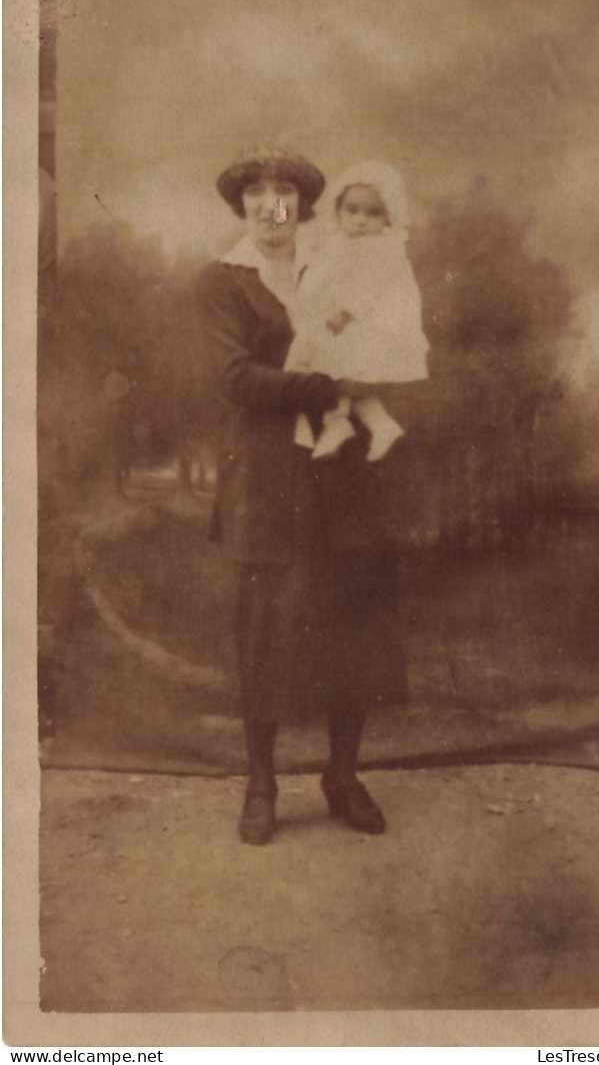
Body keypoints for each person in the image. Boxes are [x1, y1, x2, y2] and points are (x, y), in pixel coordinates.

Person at [197, 149, 407, 846]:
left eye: (283, 194)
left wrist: (361, 377)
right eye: (255, 194)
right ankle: (262, 784)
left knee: (352, 622)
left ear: (301, 207)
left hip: (340, 471)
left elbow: (379, 329)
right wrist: (328, 386)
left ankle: (341, 775)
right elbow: (235, 377)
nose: (269, 206)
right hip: (265, 477)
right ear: (242, 207)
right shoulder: (224, 281)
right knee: (266, 630)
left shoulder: (339, 263)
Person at [285, 161, 429, 461]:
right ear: (338, 210)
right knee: (333, 376)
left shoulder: (380, 249)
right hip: (337, 322)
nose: (360, 220)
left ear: (388, 216)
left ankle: (349, 424)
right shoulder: (340, 243)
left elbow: (367, 289)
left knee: (339, 375)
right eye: (352, 210)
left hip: (359, 325)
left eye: (372, 213)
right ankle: (356, 424)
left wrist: (344, 314)